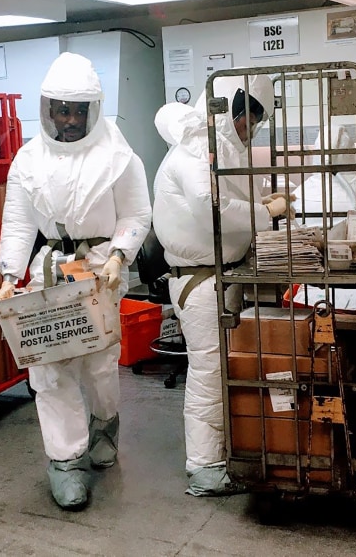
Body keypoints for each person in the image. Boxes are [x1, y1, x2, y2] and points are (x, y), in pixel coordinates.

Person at [0, 52, 152, 510]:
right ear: (46, 110)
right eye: (61, 110)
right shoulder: (27, 161)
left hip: (100, 267)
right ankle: (66, 461)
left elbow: (138, 213)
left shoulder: (119, 157)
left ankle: (105, 426)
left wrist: (120, 255)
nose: (68, 120)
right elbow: (19, 223)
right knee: (50, 367)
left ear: (92, 111)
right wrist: (10, 273)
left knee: (100, 365)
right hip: (49, 269)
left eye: (78, 111)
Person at [152, 73, 289, 496]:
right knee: (209, 375)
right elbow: (214, 210)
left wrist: (262, 207)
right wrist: (266, 213)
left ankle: (223, 454)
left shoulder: (219, 152)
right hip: (200, 285)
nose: (250, 129)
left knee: (220, 373)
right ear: (230, 110)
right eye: (248, 119)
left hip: (220, 280)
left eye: (256, 121)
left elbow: (231, 205)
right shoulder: (193, 153)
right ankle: (205, 468)